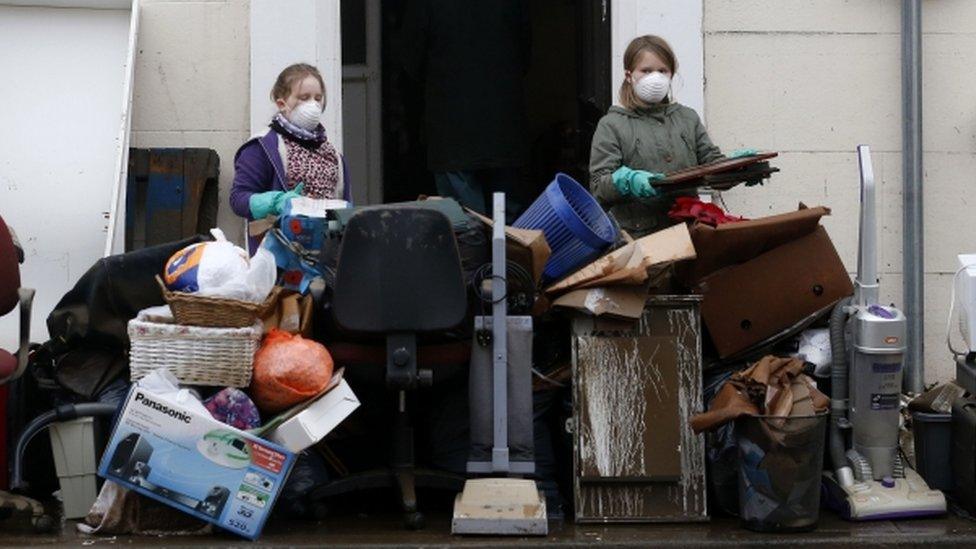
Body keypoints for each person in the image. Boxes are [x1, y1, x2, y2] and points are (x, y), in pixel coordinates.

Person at [589, 35, 744, 238]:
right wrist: (625, 181)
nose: (655, 77)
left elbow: (711, 164)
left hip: (689, 232)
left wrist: (738, 168)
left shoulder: (687, 118)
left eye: (662, 71)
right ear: (629, 75)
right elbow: (599, 188)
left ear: (671, 74)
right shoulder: (612, 125)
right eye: (646, 70)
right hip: (639, 241)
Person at [400, 0, 531, 221]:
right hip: (503, 124)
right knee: (510, 231)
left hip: (451, 127)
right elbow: (525, 56)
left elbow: (412, 61)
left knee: (466, 225)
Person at [229, 63, 352, 251]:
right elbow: (239, 199)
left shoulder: (333, 155)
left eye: (318, 98)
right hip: (278, 258)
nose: (313, 104)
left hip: (326, 259)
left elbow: (345, 207)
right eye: (304, 98)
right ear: (282, 103)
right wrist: (274, 202)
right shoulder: (262, 147)